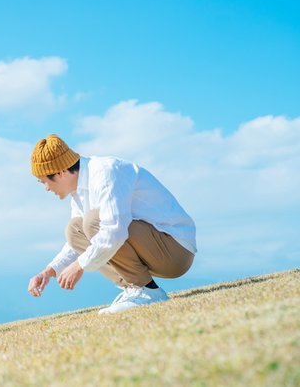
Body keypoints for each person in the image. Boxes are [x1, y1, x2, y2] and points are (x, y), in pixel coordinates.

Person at [27, 134, 196, 314]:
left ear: (60, 172)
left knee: (93, 222)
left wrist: (79, 266)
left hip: (175, 251)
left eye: (44, 181)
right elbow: (77, 242)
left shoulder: (105, 173)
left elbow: (114, 231)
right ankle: (135, 289)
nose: (46, 188)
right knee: (75, 229)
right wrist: (49, 271)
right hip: (152, 249)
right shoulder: (77, 192)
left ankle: (148, 291)